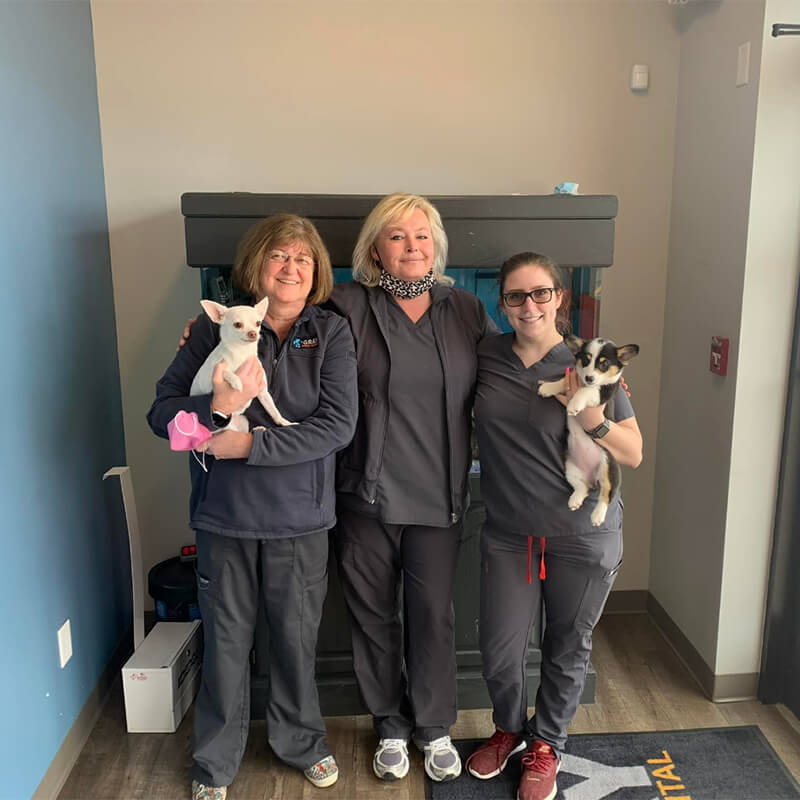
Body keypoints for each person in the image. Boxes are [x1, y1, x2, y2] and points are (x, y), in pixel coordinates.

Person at [147, 214, 358, 800]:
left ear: (315, 272)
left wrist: (252, 443)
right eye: (278, 257)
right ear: (256, 266)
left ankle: (302, 743)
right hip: (225, 516)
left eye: (303, 259)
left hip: (301, 518)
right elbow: (161, 415)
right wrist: (214, 411)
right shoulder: (210, 331)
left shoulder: (331, 334)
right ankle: (214, 763)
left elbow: (337, 427)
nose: (291, 268)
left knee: (295, 641)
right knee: (226, 642)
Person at [328, 193, 498, 783]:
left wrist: (579, 372)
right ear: (375, 249)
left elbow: (512, 370)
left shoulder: (467, 310)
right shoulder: (348, 303)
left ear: (437, 246)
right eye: (397, 237)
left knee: (433, 615)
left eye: (422, 237)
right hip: (365, 495)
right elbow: (281, 332)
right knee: (372, 615)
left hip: (440, 497)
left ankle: (433, 726)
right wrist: (210, 333)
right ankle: (390, 727)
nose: (411, 247)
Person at [466, 251, 642, 800]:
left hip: (582, 536)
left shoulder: (585, 363)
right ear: (502, 303)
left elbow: (633, 453)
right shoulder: (485, 354)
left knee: (568, 642)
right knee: (499, 646)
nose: (529, 305)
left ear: (559, 298)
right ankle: (509, 729)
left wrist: (594, 418)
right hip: (509, 530)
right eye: (516, 296)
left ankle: (548, 743)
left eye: (540, 292)